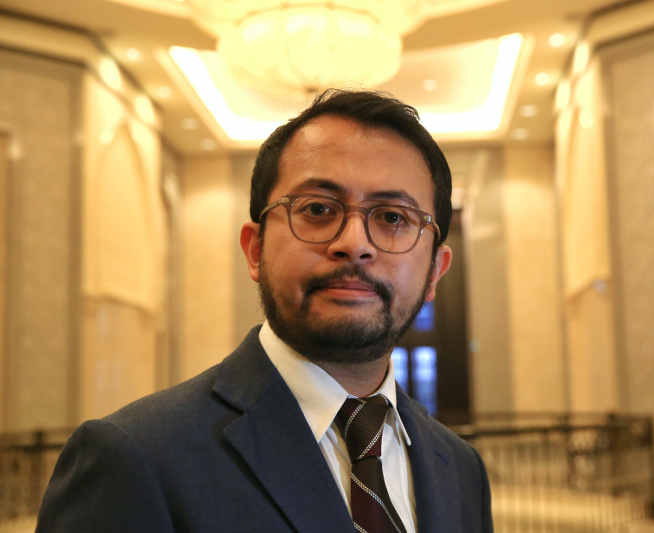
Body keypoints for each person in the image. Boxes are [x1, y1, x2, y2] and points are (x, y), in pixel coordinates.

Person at [36, 89, 493, 532]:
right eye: (317, 208)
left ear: (435, 271)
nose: (354, 243)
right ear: (255, 250)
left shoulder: (460, 467)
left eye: (393, 217)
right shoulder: (134, 457)